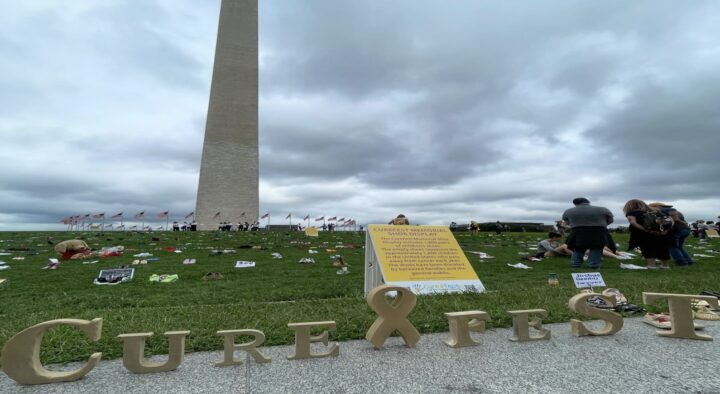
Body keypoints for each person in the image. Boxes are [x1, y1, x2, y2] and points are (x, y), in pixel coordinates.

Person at [561, 197, 613, 268]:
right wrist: (601, 225)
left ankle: (575, 264)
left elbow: (566, 223)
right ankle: (593, 265)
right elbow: (610, 220)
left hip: (578, 231)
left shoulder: (568, 211)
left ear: (575, 204)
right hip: (598, 231)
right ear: (588, 202)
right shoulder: (603, 209)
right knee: (596, 248)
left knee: (578, 248)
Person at [623, 199, 671, 269]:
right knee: (662, 248)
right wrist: (664, 231)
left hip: (644, 234)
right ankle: (665, 265)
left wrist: (646, 230)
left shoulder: (631, 213)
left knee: (648, 249)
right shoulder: (655, 211)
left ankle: (652, 265)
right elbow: (668, 221)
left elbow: (633, 223)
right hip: (660, 233)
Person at [649, 202, 694, 266]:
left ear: (657, 206)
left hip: (676, 230)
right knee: (679, 247)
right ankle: (689, 261)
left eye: (651, 207)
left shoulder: (662, 211)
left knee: (672, 247)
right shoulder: (677, 211)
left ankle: (681, 262)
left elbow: (667, 222)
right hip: (685, 229)